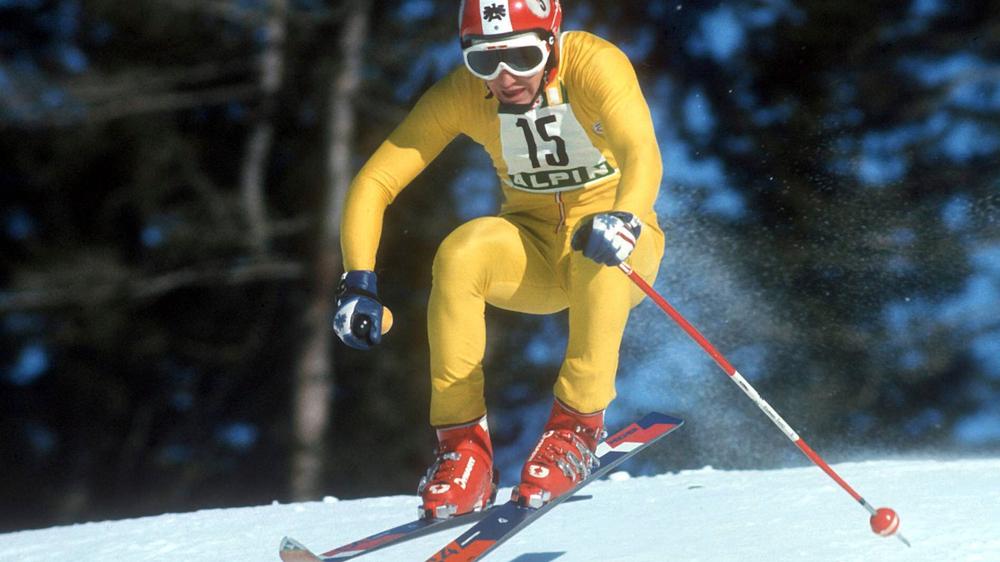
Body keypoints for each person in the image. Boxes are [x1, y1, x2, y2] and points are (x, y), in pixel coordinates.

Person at [333, 0, 664, 519]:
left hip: (616, 246)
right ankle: (464, 452)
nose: (505, 77)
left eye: (522, 56)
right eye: (485, 61)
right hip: (531, 250)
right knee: (462, 252)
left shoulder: (592, 62)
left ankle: (575, 430)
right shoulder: (465, 94)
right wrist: (358, 280)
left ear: (552, 41)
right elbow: (375, 181)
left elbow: (642, 150)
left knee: (592, 257)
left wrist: (624, 218)